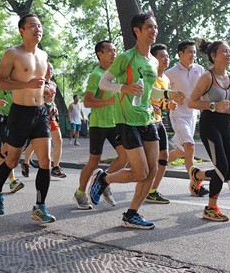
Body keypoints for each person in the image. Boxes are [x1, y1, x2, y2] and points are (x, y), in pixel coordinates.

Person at [92, 11, 186, 229]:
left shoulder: (153, 61)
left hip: (148, 119)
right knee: (140, 172)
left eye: (155, 27)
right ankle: (103, 179)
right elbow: (103, 83)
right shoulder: (126, 57)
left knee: (151, 172)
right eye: (149, 27)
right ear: (137, 31)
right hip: (127, 120)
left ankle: (131, 214)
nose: (154, 31)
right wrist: (123, 87)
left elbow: (149, 91)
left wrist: (167, 95)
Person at [0, 13, 57, 224]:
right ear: (22, 30)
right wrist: (26, 85)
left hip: (40, 113)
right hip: (20, 113)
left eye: (40, 26)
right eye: (32, 26)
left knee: (46, 161)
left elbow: (47, 82)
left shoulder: (44, 55)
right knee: (13, 160)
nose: (38, 29)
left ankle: (39, 206)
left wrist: (50, 90)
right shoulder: (13, 54)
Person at [187, 39, 230, 222]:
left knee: (228, 172)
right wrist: (213, 105)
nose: (228, 54)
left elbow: (225, 101)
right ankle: (211, 208)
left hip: (226, 124)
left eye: (229, 51)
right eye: (224, 51)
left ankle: (197, 175)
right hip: (210, 125)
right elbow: (192, 102)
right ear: (213, 55)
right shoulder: (207, 78)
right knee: (221, 167)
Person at [74, 40, 128, 210]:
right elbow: (88, 101)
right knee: (94, 161)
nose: (114, 54)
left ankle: (104, 182)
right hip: (98, 124)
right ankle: (80, 192)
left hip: (116, 123)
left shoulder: (117, 75)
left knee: (124, 157)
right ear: (100, 54)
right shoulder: (96, 75)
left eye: (115, 51)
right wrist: (109, 101)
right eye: (110, 51)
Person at [165, 40, 208, 197]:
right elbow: (161, 93)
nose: (193, 55)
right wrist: (169, 102)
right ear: (180, 54)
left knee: (181, 151)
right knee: (189, 146)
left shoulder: (199, 69)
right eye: (189, 52)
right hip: (179, 115)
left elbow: (203, 90)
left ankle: (156, 165)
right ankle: (195, 185)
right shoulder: (170, 73)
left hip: (193, 114)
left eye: (194, 52)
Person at [22, 64, 66, 178]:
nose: (49, 72)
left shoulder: (53, 85)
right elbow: (32, 99)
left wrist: (54, 106)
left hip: (50, 117)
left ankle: (56, 168)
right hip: (38, 116)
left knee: (59, 141)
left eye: (51, 69)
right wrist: (43, 100)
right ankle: (25, 163)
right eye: (46, 69)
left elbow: (51, 100)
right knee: (34, 145)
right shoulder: (37, 82)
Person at [145, 43, 177, 204]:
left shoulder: (165, 79)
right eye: (162, 56)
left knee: (164, 156)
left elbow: (162, 101)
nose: (166, 59)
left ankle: (152, 191)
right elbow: (141, 98)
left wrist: (168, 105)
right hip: (145, 122)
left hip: (158, 122)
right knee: (140, 163)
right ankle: (106, 179)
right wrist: (150, 105)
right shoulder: (148, 76)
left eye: (167, 56)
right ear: (153, 59)